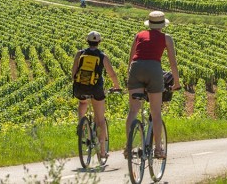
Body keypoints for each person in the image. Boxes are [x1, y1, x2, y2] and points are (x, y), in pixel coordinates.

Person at [126, 11, 181, 159]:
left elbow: (131, 59)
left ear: (149, 24)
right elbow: (173, 64)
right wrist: (176, 82)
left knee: (133, 111)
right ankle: (158, 150)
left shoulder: (139, 35)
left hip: (136, 69)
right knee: (156, 112)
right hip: (154, 70)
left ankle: (128, 147)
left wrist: (129, 77)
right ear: (163, 25)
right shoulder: (166, 38)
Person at [71, 31, 122, 159]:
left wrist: (78, 83)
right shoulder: (102, 56)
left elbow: (73, 72)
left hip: (79, 88)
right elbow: (112, 74)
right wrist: (117, 86)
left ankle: (81, 123)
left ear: (87, 41)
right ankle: (103, 152)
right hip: (96, 89)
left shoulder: (80, 53)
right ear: (99, 42)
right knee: (100, 121)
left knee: (82, 102)